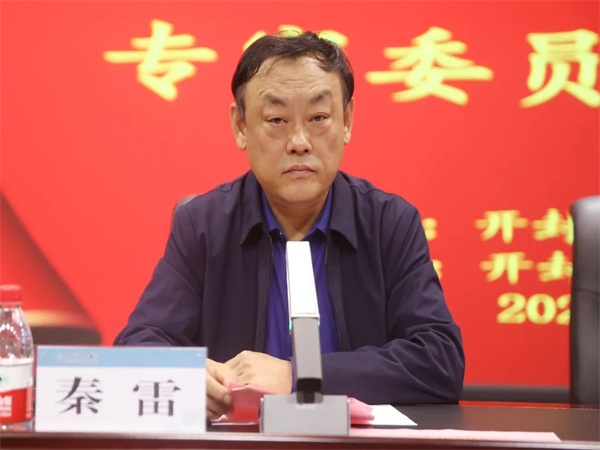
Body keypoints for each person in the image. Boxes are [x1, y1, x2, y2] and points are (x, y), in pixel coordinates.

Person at [114, 31, 465, 420]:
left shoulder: (389, 223)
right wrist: (188, 376)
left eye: (318, 118)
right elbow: (137, 346)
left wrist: (298, 376)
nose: (299, 142)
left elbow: (439, 361)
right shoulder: (204, 225)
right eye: (277, 120)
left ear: (347, 121)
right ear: (240, 126)